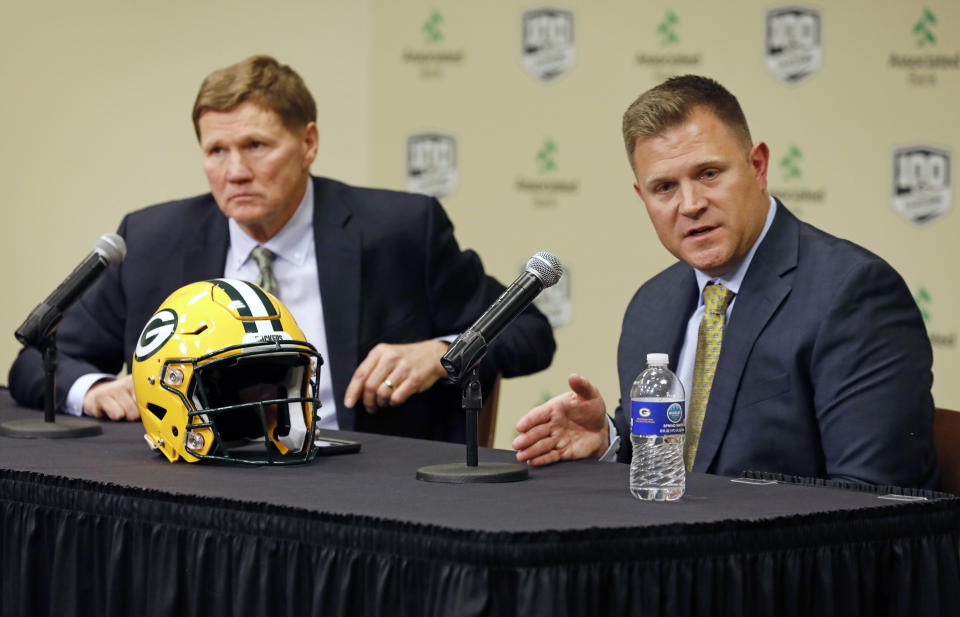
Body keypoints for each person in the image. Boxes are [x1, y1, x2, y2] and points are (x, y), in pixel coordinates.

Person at [8, 55, 556, 443]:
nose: (236, 171)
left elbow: (529, 331)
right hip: (198, 473)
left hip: (358, 476)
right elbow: (38, 362)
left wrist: (441, 351)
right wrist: (95, 388)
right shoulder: (155, 238)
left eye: (255, 146)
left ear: (308, 143)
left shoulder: (400, 229)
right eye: (216, 150)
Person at [512, 75, 939, 489]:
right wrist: (610, 441)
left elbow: (873, 500)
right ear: (644, 199)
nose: (691, 204)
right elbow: (665, 460)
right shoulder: (652, 303)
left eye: (709, 174)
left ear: (758, 166)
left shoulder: (853, 293)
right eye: (664, 187)